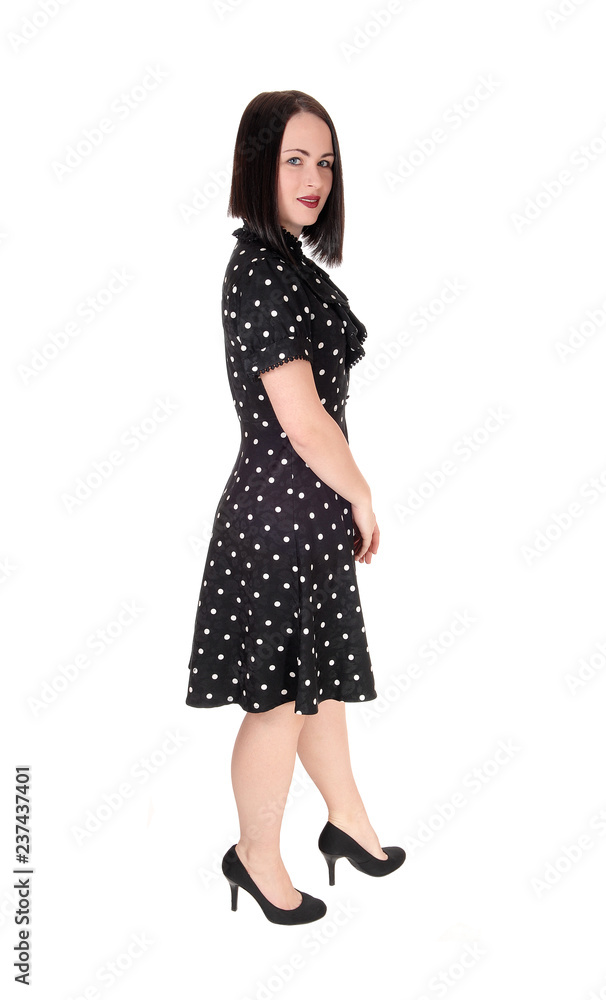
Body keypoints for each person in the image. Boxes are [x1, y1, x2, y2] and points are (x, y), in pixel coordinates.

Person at [185, 90, 405, 925]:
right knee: (277, 702)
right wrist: (362, 494)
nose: (315, 178)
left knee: (320, 683)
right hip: (278, 515)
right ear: (257, 166)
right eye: (294, 161)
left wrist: (344, 500)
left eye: (326, 163)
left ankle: (347, 822)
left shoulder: (288, 267)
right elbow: (303, 419)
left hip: (302, 513)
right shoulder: (259, 271)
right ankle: (255, 856)